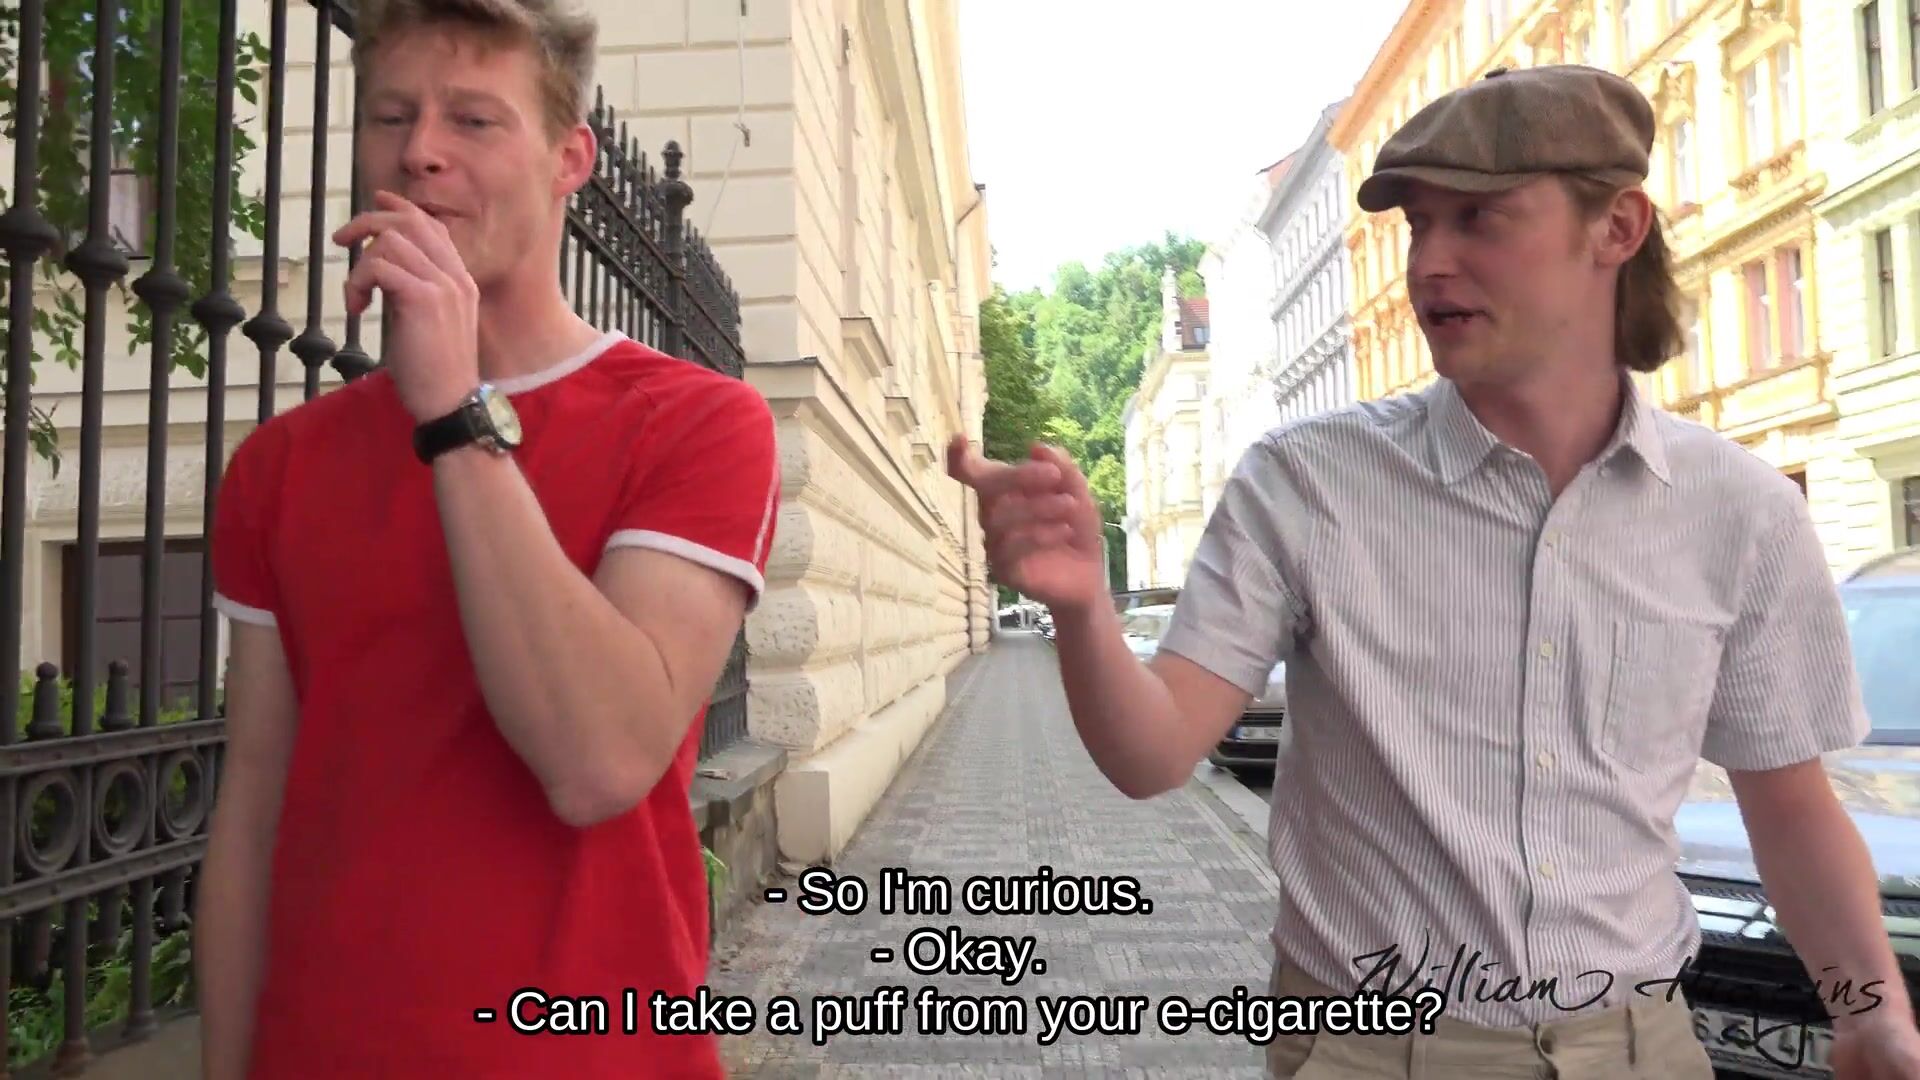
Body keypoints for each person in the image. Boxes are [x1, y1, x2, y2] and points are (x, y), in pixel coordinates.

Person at [950, 64, 1920, 1079]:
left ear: (1617, 228)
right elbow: (1152, 755)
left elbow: (1791, 808)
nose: (1429, 264)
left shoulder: (1743, 510)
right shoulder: (1308, 481)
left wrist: (1868, 1009)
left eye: (1479, 219)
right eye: (1419, 225)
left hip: (1638, 1050)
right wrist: (1082, 610)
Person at [195, 1, 779, 1076]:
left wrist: (456, 412)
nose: (420, 151)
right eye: (391, 116)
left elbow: (599, 761)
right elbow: (254, 815)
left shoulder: (698, 423)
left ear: (570, 161)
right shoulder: (278, 467)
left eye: (473, 119)